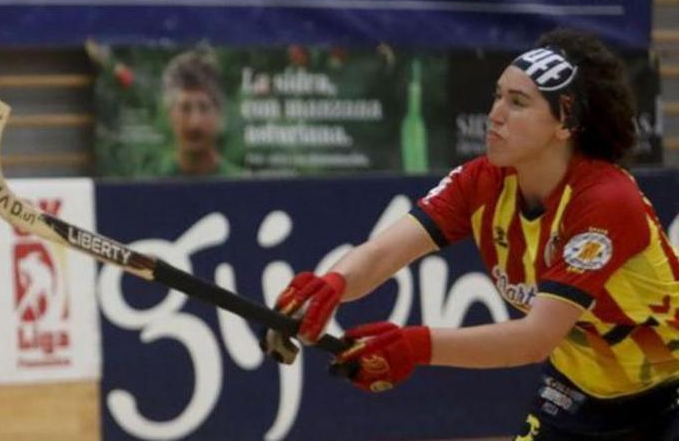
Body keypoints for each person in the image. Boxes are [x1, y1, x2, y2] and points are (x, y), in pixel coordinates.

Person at [268, 29, 679, 440]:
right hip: (577, 393)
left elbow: (535, 338)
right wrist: (329, 286)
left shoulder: (606, 200)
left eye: (518, 103)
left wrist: (414, 345)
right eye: (498, 96)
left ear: (565, 122)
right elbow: (381, 253)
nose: (495, 114)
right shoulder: (480, 182)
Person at [159, 49, 244, 176]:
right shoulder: (152, 183)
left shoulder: (241, 184)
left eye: (204, 108)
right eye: (185, 108)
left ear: (219, 114)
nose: (195, 122)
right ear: (170, 114)